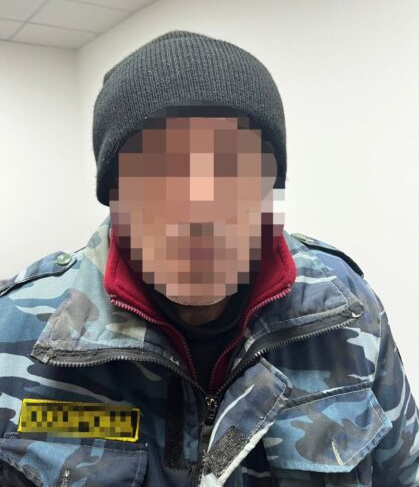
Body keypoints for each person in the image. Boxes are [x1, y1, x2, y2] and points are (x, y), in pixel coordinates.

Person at [0, 30, 417, 487]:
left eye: (232, 166)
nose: (199, 207)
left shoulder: (344, 306)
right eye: (159, 168)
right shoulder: (14, 329)